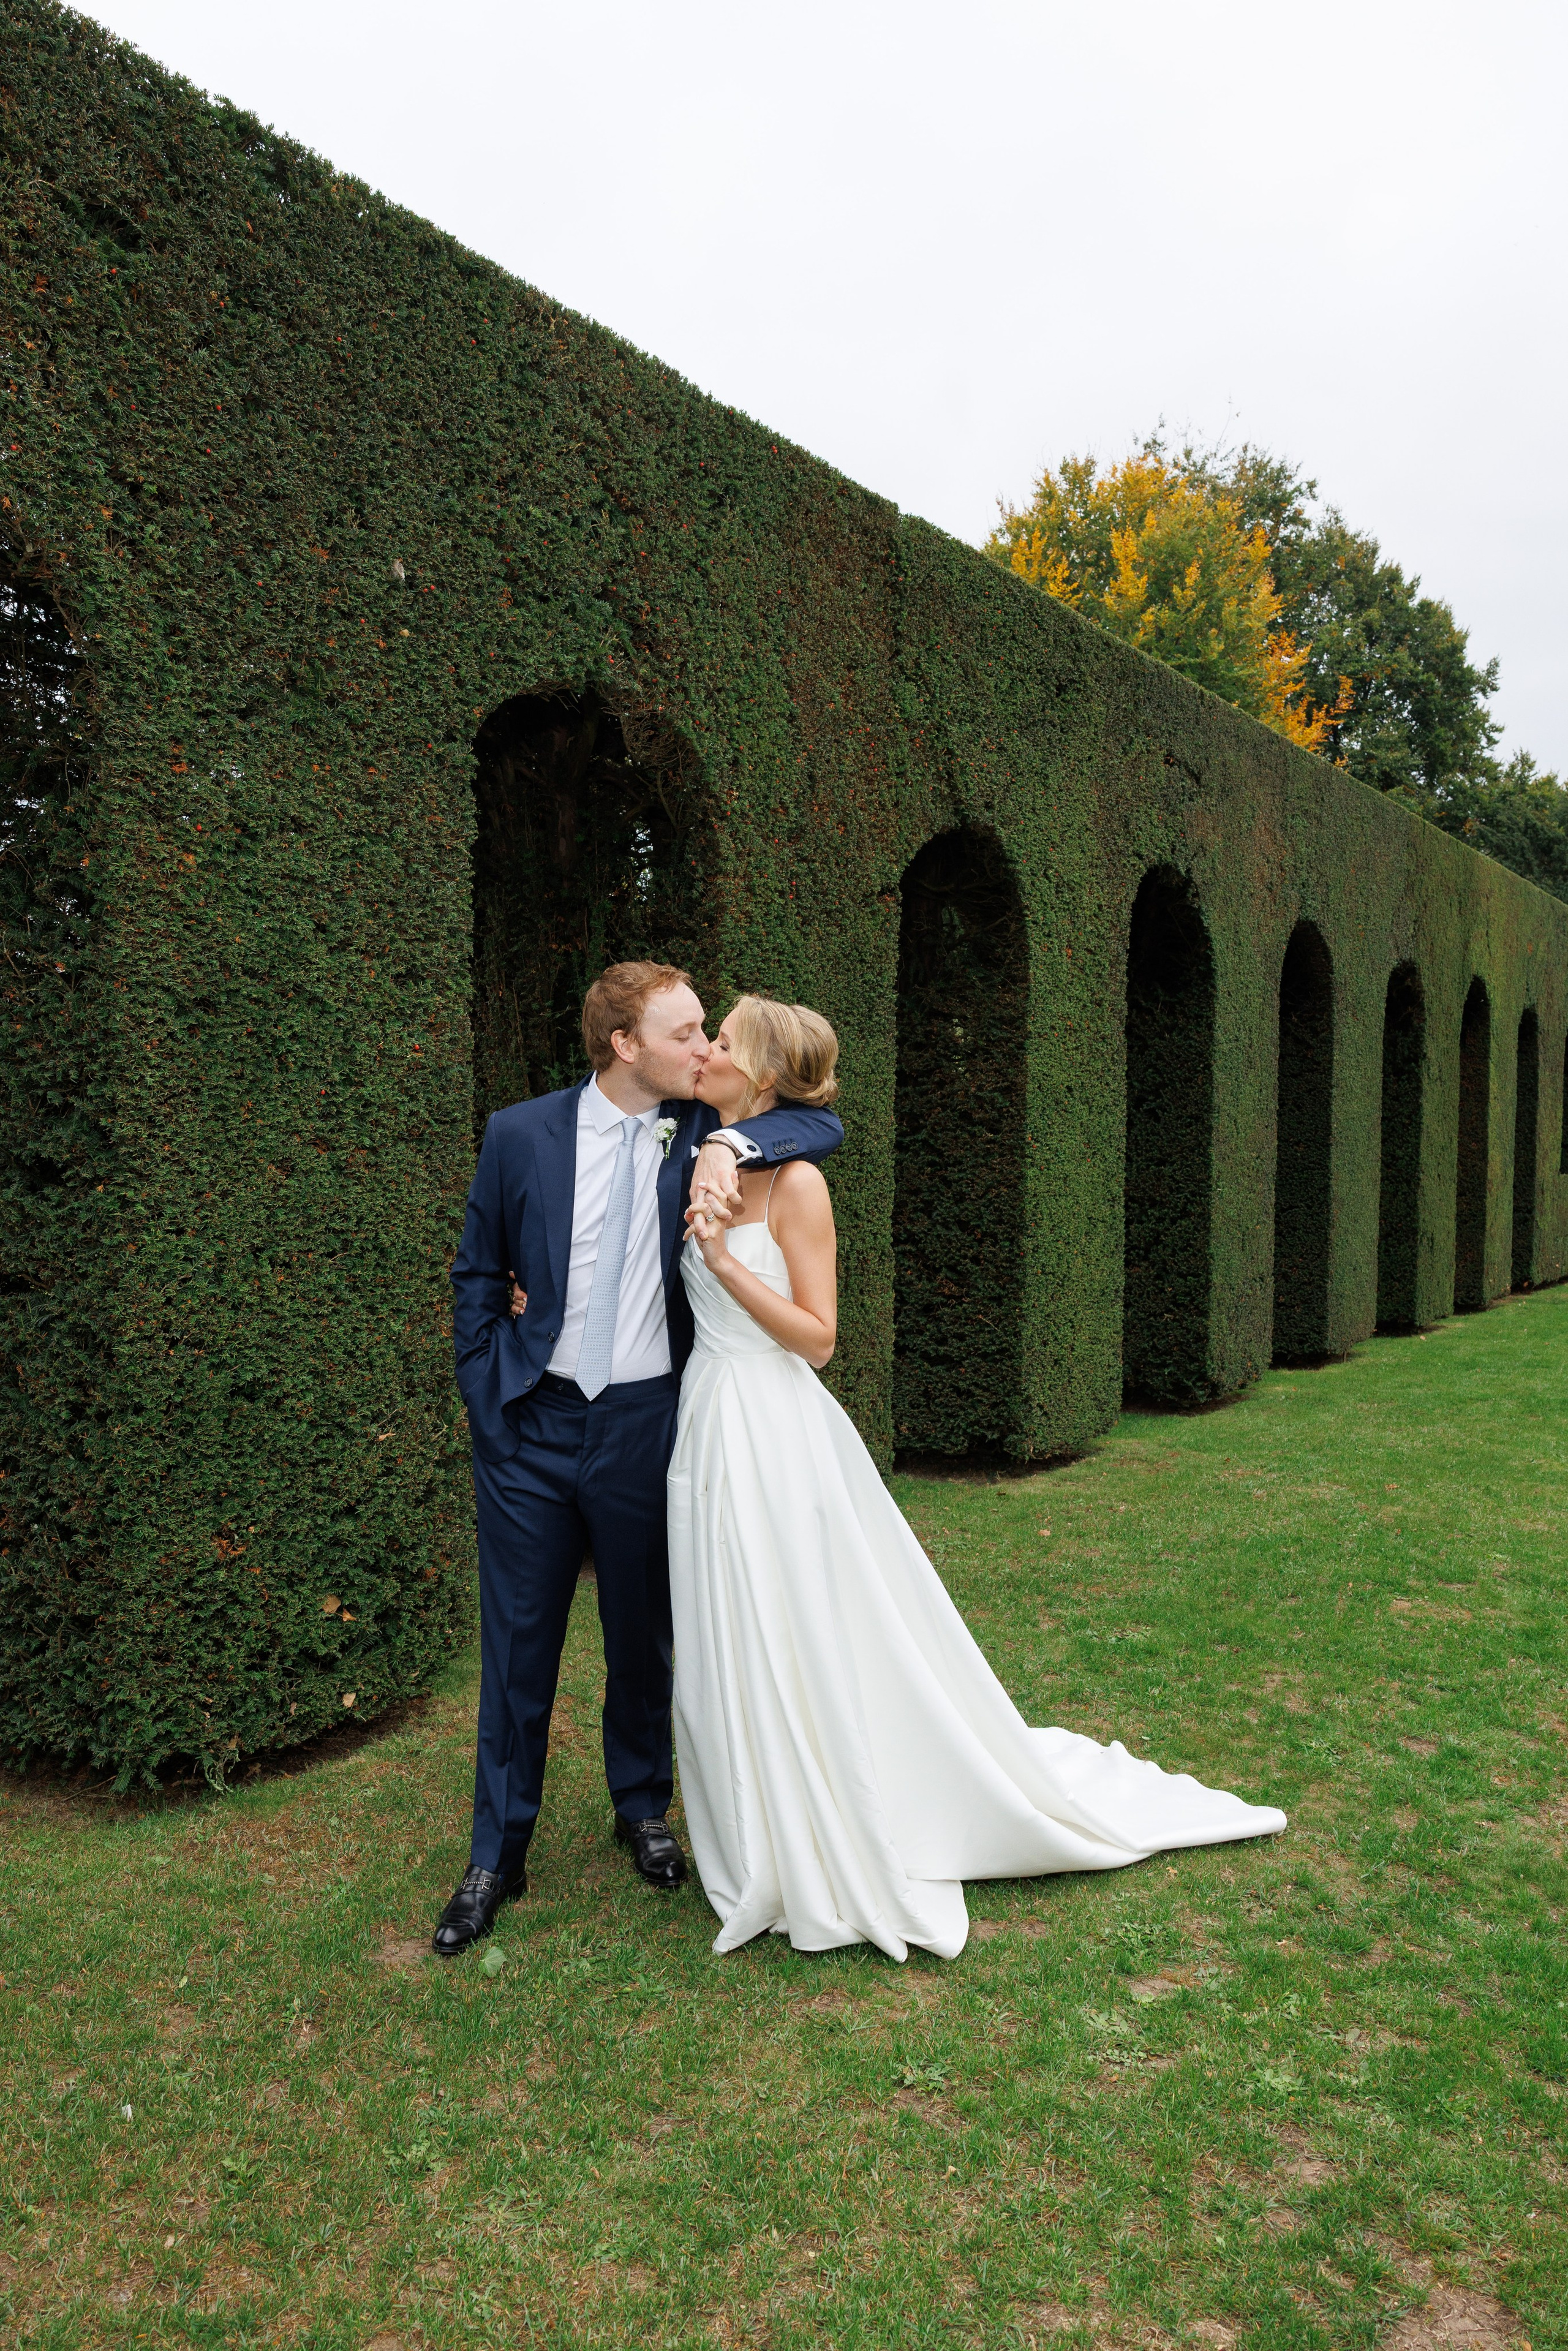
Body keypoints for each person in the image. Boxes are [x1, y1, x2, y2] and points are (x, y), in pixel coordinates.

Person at [671, 995, 1286, 1961]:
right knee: (725, 1615)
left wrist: (722, 1259)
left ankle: (825, 1806)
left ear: (759, 1075)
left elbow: (820, 1338)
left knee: (791, 1612)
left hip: (775, 1423)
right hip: (707, 1416)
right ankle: (750, 1815)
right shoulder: (704, 1151)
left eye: (722, 1041)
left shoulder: (798, 1186)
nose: (703, 1050)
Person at [435, 963, 843, 1957]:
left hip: (647, 1421)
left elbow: (817, 1123)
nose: (707, 1049)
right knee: (517, 1646)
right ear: (626, 1044)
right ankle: (498, 1852)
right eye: (688, 1032)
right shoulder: (519, 1133)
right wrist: (491, 1389)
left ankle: (642, 1807)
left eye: (711, 1033)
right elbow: (478, 1272)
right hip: (530, 1426)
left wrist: (736, 1138)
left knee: (644, 1630)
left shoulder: (708, 1133)